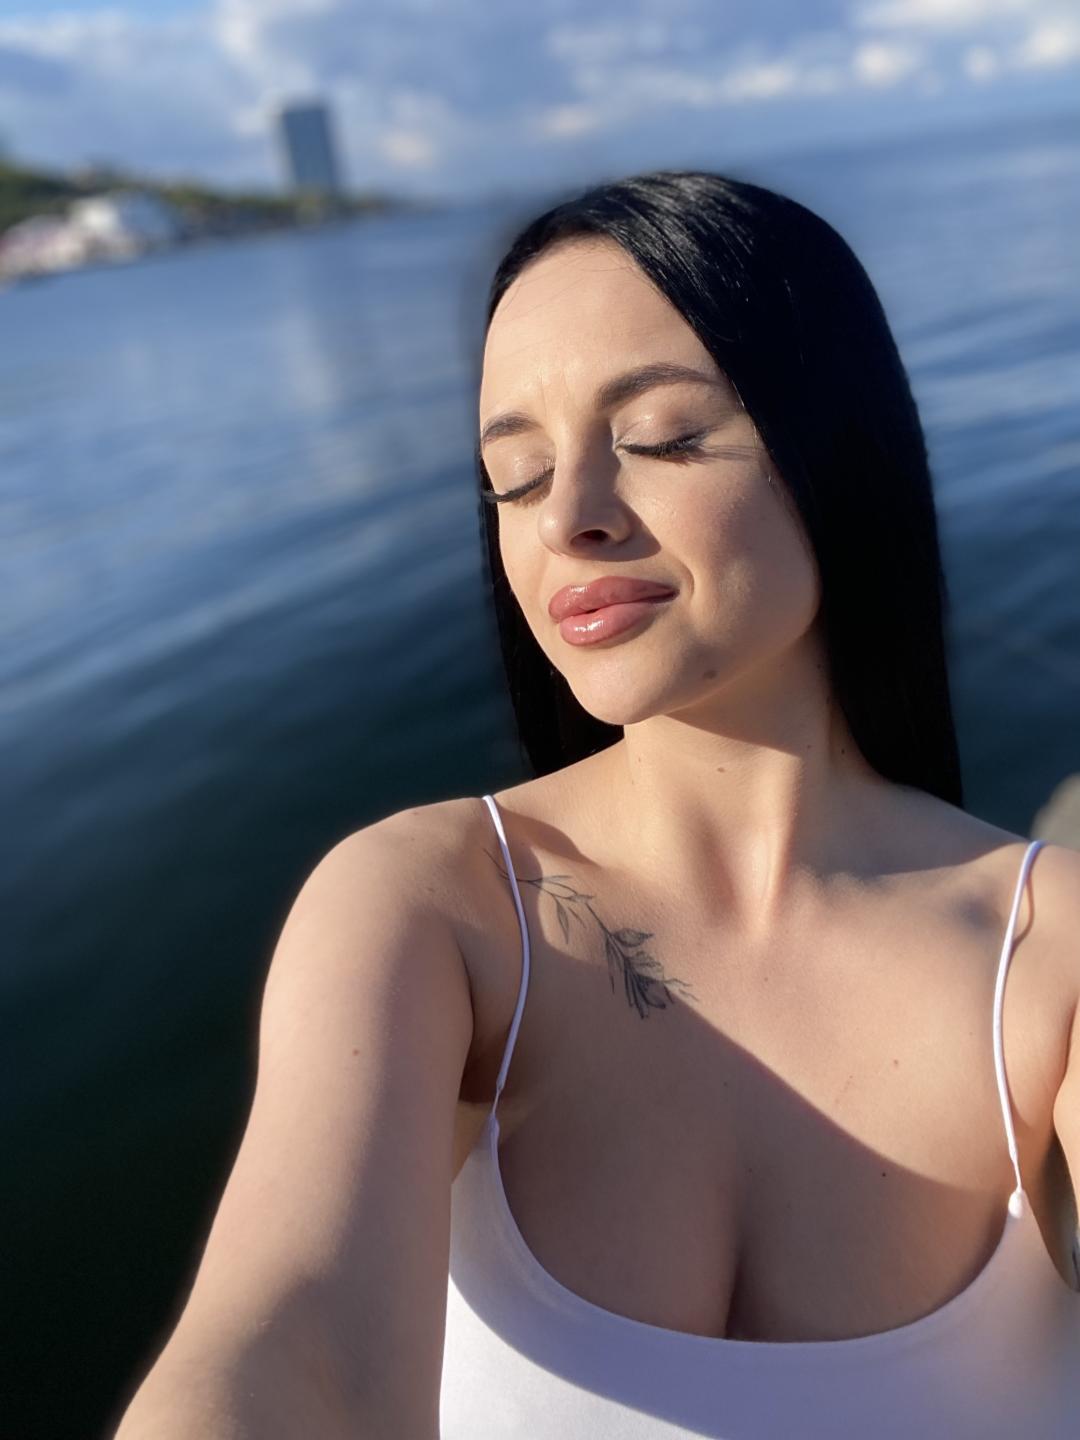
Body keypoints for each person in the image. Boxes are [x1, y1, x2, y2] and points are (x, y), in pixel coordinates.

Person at [113, 171, 1080, 1439]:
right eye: (515, 477)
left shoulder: (1049, 950)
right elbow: (287, 1341)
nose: (568, 519)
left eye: (665, 437)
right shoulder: (432, 907)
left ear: (840, 446)